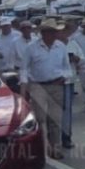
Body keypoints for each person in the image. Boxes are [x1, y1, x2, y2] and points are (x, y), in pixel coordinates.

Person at [19, 19, 71, 160]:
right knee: (40, 119)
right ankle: (43, 146)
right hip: (37, 85)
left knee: (55, 119)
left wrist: (65, 77)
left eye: (54, 32)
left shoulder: (60, 46)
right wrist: (24, 89)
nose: (52, 35)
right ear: (43, 33)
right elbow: (24, 69)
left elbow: (67, 67)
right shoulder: (31, 48)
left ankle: (56, 148)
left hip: (57, 85)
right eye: (49, 32)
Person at [58, 19, 84, 150]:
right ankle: (53, 137)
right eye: (61, 30)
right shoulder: (54, 45)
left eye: (65, 30)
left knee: (67, 110)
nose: (63, 33)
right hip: (55, 81)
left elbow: (81, 60)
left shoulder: (73, 44)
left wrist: (75, 59)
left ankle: (66, 136)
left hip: (69, 81)